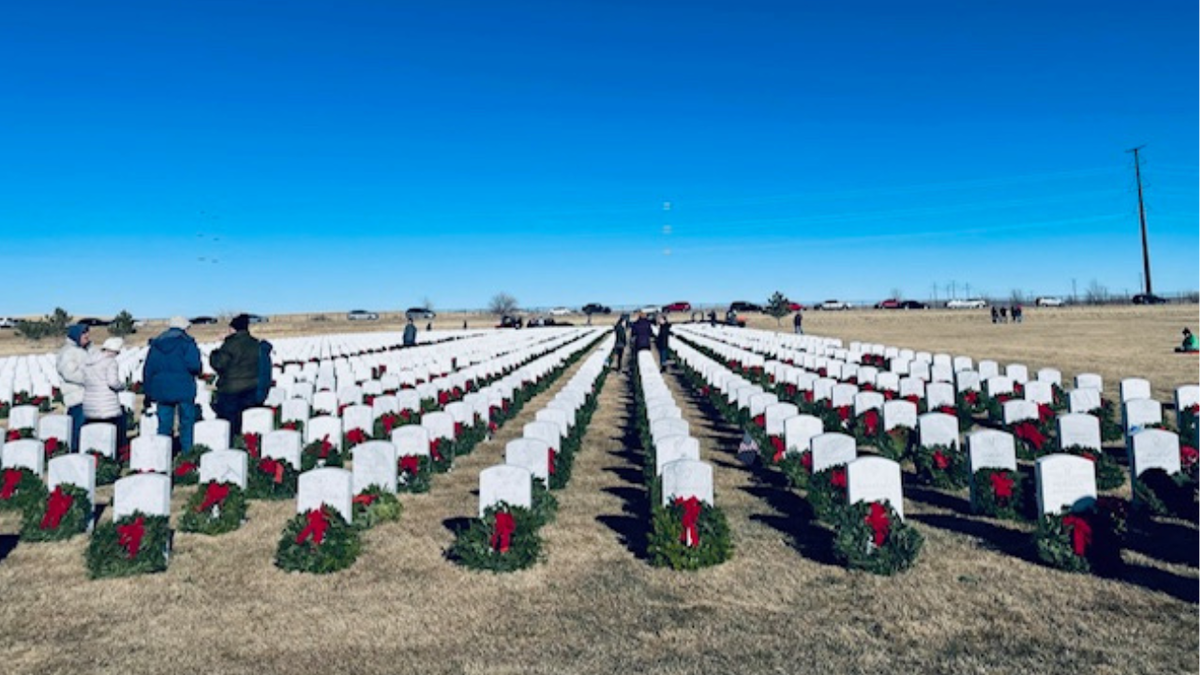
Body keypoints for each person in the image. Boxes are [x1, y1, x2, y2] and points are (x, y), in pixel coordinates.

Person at [143, 316, 202, 452]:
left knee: (164, 424)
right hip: (184, 388)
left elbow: (149, 369)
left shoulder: (156, 344)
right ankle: (187, 454)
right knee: (186, 424)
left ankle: (162, 455)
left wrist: (148, 391)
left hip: (162, 390)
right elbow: (194, 366)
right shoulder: (187, 343)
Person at [210, 313, 262, 436]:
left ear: (234, 329)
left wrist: (215, 353)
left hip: (231, 389)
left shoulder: (230, 345)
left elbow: (219, 364)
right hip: (251, 386)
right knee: (247, 421)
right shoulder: (255, 343)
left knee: (230, 423)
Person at [82, 337, 128, 451]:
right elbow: (112, 382)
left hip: (90, 403)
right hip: (106, 404)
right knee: (113, 433)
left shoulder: (89, 362)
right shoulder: (110, 362)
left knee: (94, 433)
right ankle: (115, 454)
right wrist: (122, 386)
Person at [56, 323, 91, 447]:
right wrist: (90, 378)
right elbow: (69, 373)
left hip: (87, 396)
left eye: (87, 333)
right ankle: (75, 452)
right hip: (76, 397)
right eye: (84, 333)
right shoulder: (69, 352)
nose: (87, 336)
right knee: (77, 429)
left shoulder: (83, 350)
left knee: (86, 430)